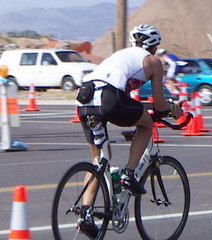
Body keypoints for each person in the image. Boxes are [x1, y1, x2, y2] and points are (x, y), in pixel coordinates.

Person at [76, 24, 183, 238]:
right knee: (146, 125)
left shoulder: (121, 55)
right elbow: (160, 103)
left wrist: (134, 114)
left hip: (85, 100)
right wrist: (174, 108)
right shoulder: (153, 61)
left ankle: (85, 214)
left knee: (99, 159)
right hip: (109, 99)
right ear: (154, 47)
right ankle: (129, 175)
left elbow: (125, 98)